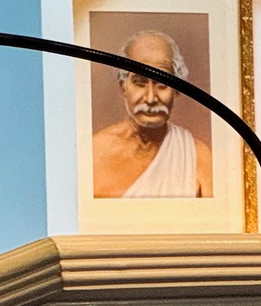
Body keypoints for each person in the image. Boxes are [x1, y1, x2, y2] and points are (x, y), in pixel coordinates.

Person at [90, 30, 214, 199]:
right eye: (140, 83)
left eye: (162, 83)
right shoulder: (95, 153)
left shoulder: (197, 155)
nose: (150, 98)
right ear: (123, 87)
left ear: (177, 88)